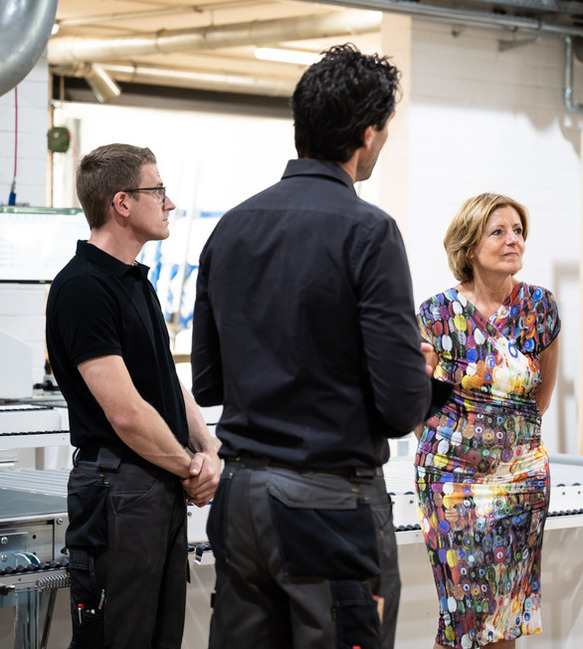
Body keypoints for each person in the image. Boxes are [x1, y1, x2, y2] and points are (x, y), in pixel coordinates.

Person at [191, 44, 449, 649]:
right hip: (327, 505)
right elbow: (399, 407)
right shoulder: (369, 231)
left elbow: (207, 383)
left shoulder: (232, 227)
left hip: (240, 499)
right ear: (366, 134)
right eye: (384, 130)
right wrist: (421, 377)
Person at [46, 143, 220, 649]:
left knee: (159, 638)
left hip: (154, 486)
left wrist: (207, 448)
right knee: (118, 638)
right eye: (158, 190)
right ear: (122, 203)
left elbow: (166, 378)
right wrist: (189, 467)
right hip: (118, 491)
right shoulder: (82, 287)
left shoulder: (136, 284)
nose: (169, 204)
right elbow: (124, 413)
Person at [414, 193, 561, 649]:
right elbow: (417, 402)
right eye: (498, 232)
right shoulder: (437, 314)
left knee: (505, 612)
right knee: (463, 618)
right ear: (469, 247)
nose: (512, 240)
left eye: (517, 231)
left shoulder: (539, 306)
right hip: (452, 482)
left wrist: (508, 450)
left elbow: (542, 391)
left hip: (521, 479)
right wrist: (454, 448)